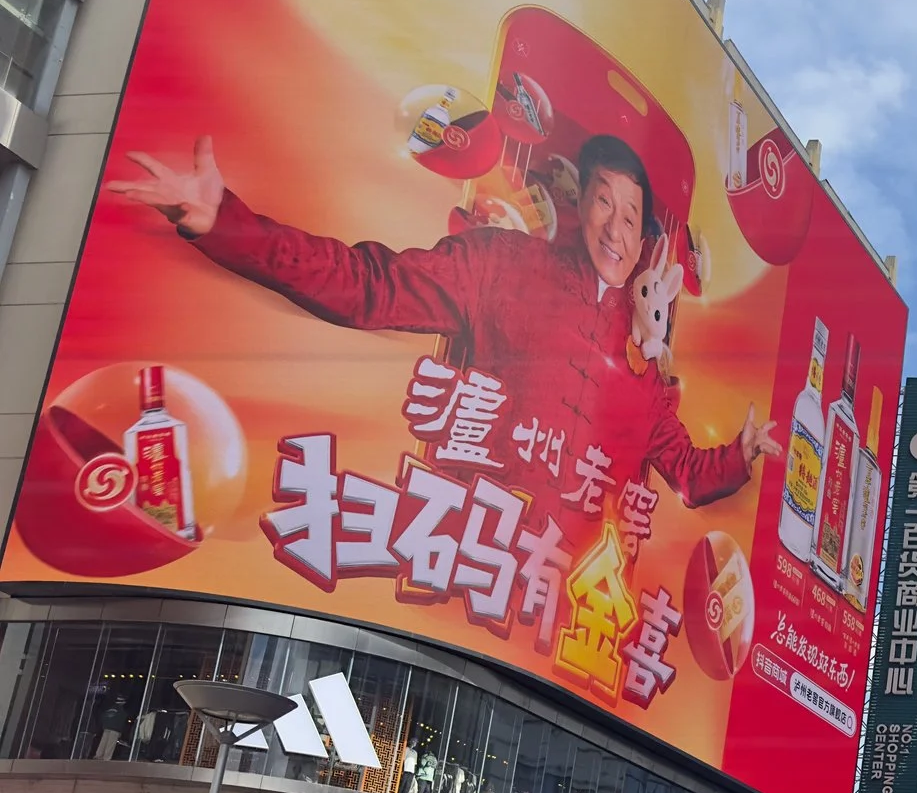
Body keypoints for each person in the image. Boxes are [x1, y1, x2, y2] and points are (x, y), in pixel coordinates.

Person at [116, 133, 781, 555]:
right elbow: (368, 286)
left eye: (631, 216)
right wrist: (224, 223)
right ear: (578, 208)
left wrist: (741, 456)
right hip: (457, 559)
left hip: (566, 609)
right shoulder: (503, 263)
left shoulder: (645, 360)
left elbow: (688, 473)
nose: (616, 228)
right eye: (603, 203)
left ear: (644, 244)